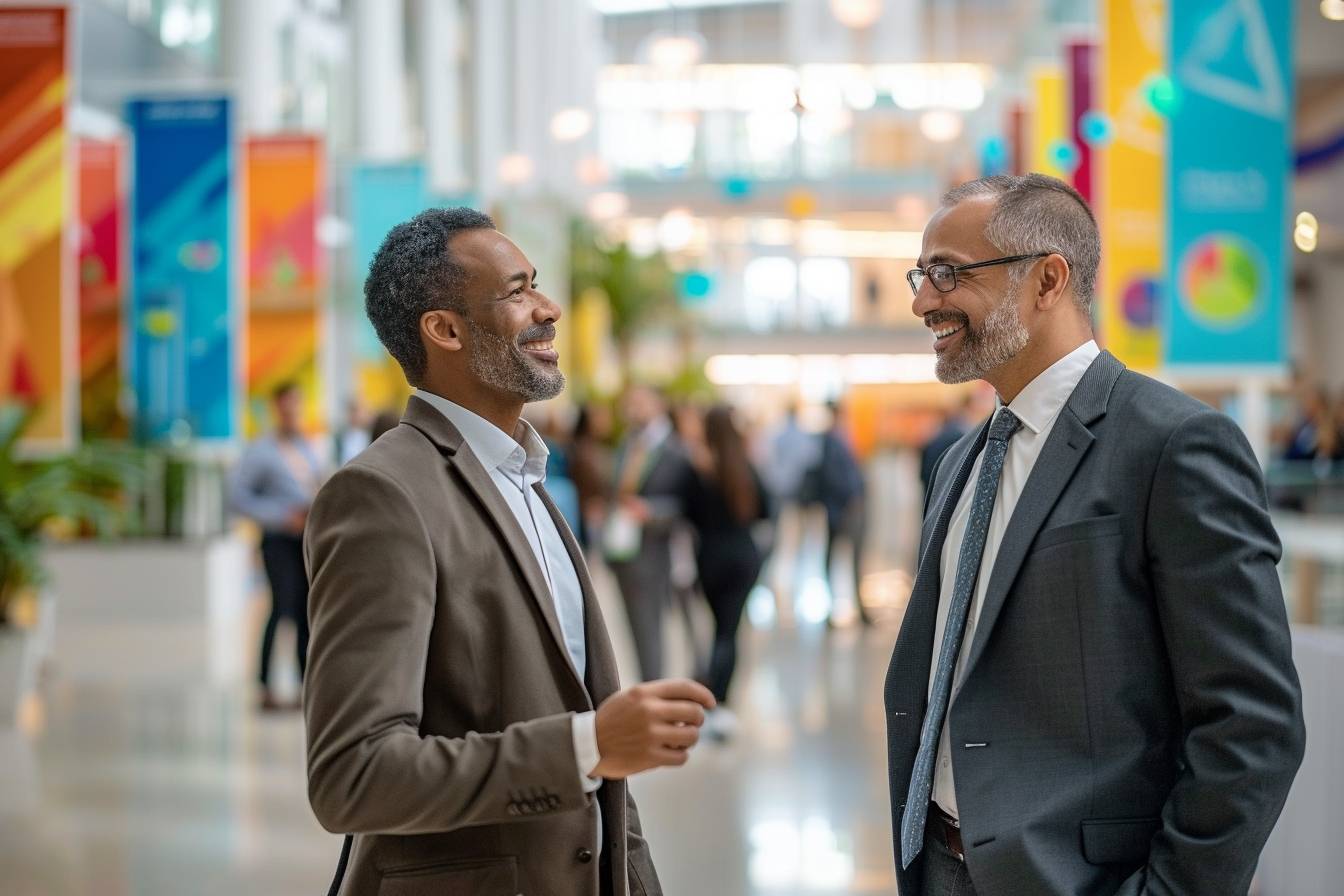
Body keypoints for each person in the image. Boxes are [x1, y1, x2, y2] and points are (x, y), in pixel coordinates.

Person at [886, 173, 1304, 896]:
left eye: (948, 273)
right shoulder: (962, 461)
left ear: (1047, 280)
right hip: (939, 862)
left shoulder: (1173, 444)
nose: (924, 301)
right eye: (920, 275)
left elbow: (1251, 721)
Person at [303, 208, 714, 896]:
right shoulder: (382, 494)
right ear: (445, 329)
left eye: (536, 286)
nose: (548, 309)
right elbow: (353, 776)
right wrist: (587, 746)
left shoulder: (526, 479)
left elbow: (600, 774)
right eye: (518, 292)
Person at [228, 381, 322, 711]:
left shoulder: (309, 447)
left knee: (305, 611)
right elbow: (238, 498)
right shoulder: (261, 451)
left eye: (297, 404)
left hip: (305, 540)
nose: (292, 411)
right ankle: (265, 686)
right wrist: (281, 516)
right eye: (287, 405)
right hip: (278, 540)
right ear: (276, 408)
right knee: (281, 607)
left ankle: (305, 685)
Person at [683, 405, 769, 738]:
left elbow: (687, 513)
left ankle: (713, 698)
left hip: (710, 559)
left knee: (718, 627)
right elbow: (766, 510)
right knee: (730, 630)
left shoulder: (698, 469)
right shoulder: (745, 465)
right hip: (744, 557)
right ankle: (721, 699)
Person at [604, 384, 696, 682]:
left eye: (640, 401)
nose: (633, 408)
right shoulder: (628, 443)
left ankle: (658, 688)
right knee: (635, 629)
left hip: (658, 550)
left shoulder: (676, 449)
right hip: (624, 547)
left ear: (658, 404)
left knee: (655, 628)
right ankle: (648, 687)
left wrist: (653, 512)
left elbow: (690, 503)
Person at [817, 401, 873, 626]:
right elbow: (835, 478)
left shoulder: (840, 439)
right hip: (841, 510)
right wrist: (851, 498)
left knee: (852, 559)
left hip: (843, 508)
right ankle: (835, 607)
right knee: (839, 559)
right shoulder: (832, 441)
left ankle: (857, 606)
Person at [571, 401, 616, 551]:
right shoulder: (583, 451)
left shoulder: (599, 449)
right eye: (600, 417)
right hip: (589, 517)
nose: (606, 421)